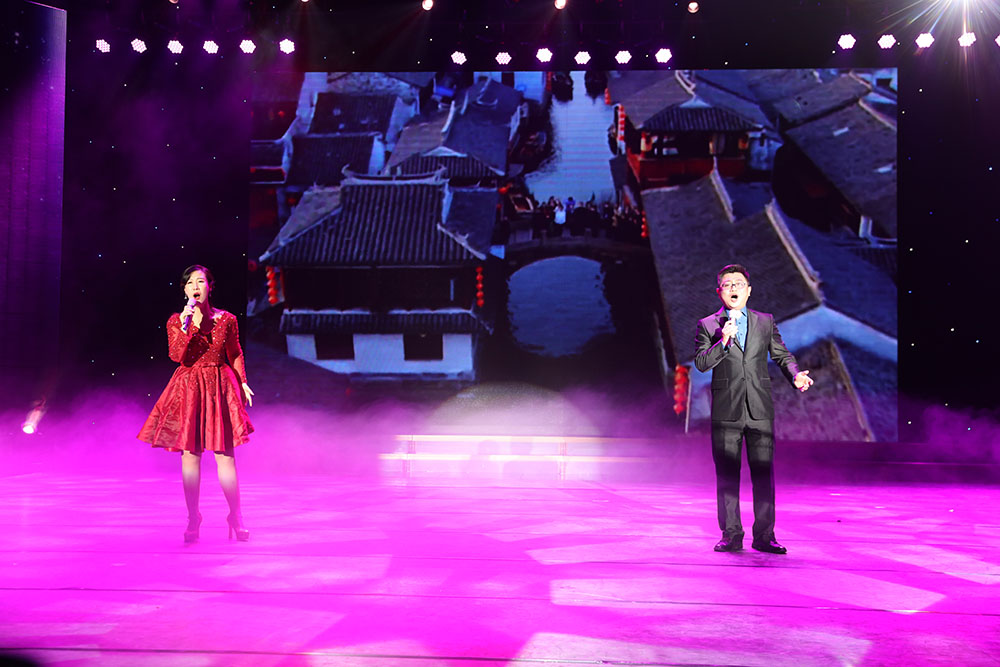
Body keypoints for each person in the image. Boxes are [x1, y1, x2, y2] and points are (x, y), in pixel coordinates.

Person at [694, 264, 813, 554]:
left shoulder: (765, 321)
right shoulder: (708, 325)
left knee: (763, 473)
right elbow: (701, 363)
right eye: (727, 284)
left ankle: (765, 536)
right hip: (726, 410)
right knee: (727, 474)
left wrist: (795, 375)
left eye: (738, 283)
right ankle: (731, 534)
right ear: (719, 292)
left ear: (749, 290)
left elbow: (781, 354)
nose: (733, 288)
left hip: (759, 408)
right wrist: (723, 341)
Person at [138, 265, 255, 543]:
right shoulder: (176, 321)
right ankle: (193, 517)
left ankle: (236, 515)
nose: (195, 287)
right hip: (189, 388)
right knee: (190, 455)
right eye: (190, 283)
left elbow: (234, 353)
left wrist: (242, 381)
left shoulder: (227, 319)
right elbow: (177, 355)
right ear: (185, 290)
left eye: (200, 281)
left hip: (219, 385)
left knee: (225, 456)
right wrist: (185, 324)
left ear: (210, 287)